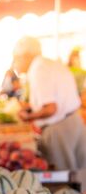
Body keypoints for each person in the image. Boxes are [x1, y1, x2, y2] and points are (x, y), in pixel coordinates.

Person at [13, 36, 86, 170]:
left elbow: (51, 109)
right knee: (80, 175)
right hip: (74, 121)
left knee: (63, 177)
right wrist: (32, 107)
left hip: (59, 129)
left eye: (16, 58)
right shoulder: (49, 64)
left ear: (26, 55)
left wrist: (28, 117)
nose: (15, 63)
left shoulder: (38, 69)